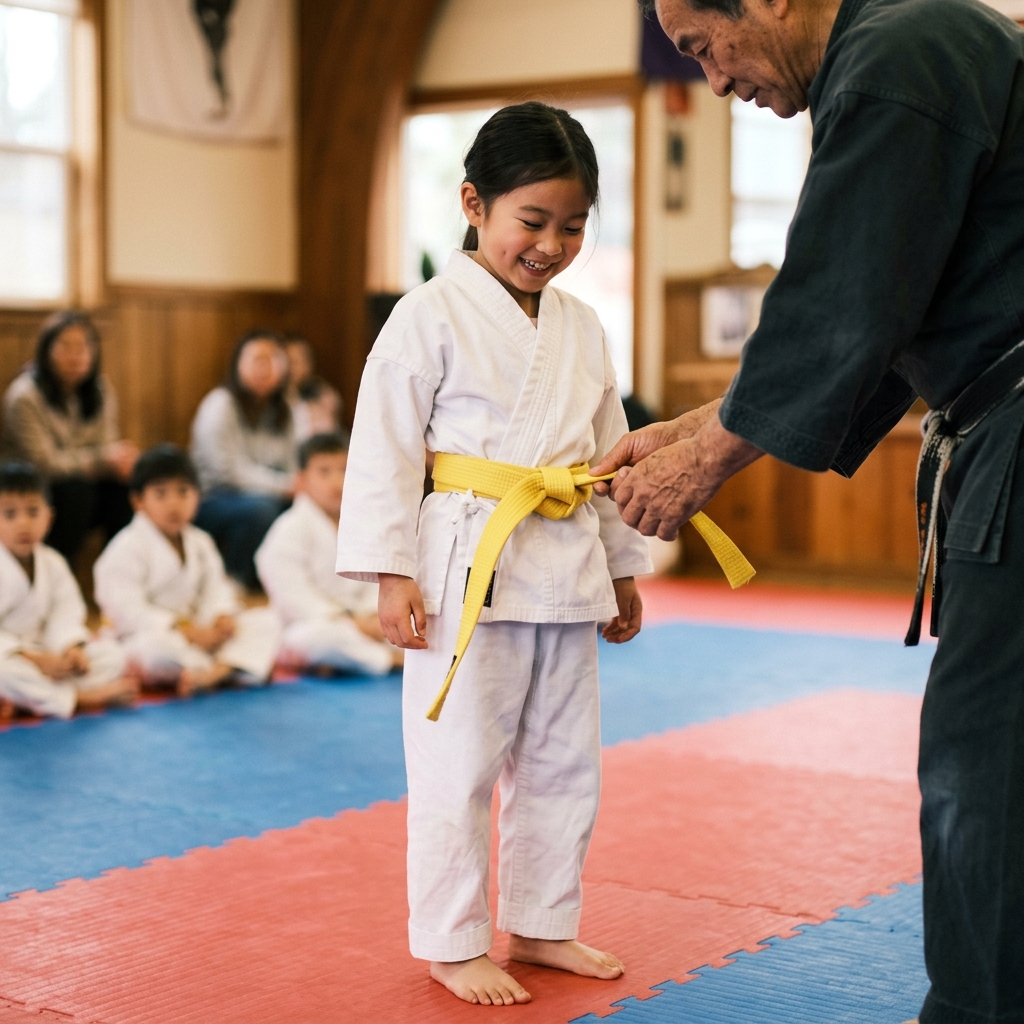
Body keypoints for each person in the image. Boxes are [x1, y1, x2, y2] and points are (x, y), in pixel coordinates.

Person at [595, 0, 1024, 1020]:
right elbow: (887, 310)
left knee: (985, 756)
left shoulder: (892, 57)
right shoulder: (918, 38)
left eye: (705, 46)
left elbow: (841, 301)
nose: (714, 80)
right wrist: (692, 427)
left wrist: (703, 464)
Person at [336, 103, 652, 1007]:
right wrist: (392, 572)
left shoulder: (583, 327)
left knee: (564, 761)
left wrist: (622, 567)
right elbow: (385, 449)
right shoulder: (426, 316)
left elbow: (609, 452)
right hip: (467, 566)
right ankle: (452, 939)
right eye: (533, 220)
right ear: (474, 203)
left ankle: (543, 922)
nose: (551, 245)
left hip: (567, 559)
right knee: (458, 762)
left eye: (573, 226)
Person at [94, 445, 281, 696]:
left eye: (183, 492)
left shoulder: (200, 542)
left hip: (203, 634)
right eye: (161, 494)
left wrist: (221, 617)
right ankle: (232, 668)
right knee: (155, 651)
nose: (174, 504)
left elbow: (216, 589)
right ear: (138, 502)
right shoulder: (125, 547)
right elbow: (127, 612)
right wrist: (187, 633)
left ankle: (212, 674)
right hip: (154, 637)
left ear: (198, 496)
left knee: (266, 621)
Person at [256, 432, 400, 676]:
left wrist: (372, 615)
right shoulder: (288, 528)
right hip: (314, 624)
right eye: (324, 472)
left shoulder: (363, 524)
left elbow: (376, 579)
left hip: (365, 621)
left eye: (343, 470)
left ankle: (350, 660)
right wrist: (350, 622)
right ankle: (390, 659)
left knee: (412, 622)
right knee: (318, 639)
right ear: (301, 480)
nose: (337, 482)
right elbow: (292, 596)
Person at [0, 462, 137, 718]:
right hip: (14, 658)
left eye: (33, 512)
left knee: (113, 655)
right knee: (4, 673)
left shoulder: (53, 562)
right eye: (10, 514)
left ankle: (31, 699)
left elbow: (65, 614)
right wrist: (32, 659)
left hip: (50, 654)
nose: (23, 523)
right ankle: (79, 698)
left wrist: (70, 649)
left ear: (49, 518)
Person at [1, 311, 138, 565]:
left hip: (85, 481)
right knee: (77, 491)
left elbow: (108, 444)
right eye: (66, 347)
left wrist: (119, 460)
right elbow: (45, 463)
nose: (76, 356)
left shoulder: (100, 390)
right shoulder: (24, 396)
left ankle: (119, 568)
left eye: (84, 347)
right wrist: (100, 460)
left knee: (124, 487)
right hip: (33, 487)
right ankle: (59, 569)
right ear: (46, 351)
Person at [190, 330, 296, 590]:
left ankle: (287, 580)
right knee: (261, 510)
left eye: (274, 359)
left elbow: (292, 464)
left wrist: (299, 485)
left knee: (309, 505)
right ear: (238, 364)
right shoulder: (220, 405)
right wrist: (284, 486)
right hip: (213, 498)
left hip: (267, 494)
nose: (266, 368)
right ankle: (234, 580)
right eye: (258, 359)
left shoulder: (284, 410)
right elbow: (227, 473)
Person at [283, 336, 344, 443]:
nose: (290, 369)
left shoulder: (323, 395)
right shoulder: (274, 397)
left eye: (295, 362)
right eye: (286, 362)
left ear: (308, 365)